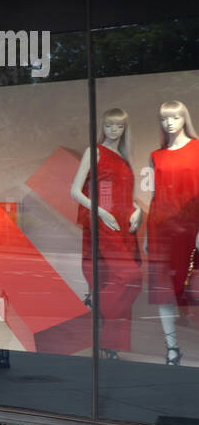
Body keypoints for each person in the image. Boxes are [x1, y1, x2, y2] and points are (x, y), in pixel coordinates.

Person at [71, 107, 143, 359]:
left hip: (125, 224)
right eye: (109, 125)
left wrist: (138, 210)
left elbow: (127, 194)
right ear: (102, 127)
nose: (114, 130)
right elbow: (75, 191)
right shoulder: (95, 151)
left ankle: (110, 343)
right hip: (105, 223)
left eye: (119, 126)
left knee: (128, 282)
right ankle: (98, 302)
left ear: (125, 129)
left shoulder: (123, 157)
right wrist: (100, 212)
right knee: (129, 275)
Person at [146, 100, 199, 366]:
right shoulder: (157, 156)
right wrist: (148, 234)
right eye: (164, 118)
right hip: (162, 228)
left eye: (175, 117)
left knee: (193, 289)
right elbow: (156, 195)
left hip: (192, 228)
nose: (169, 123)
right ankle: (172, 348)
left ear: (184, 119)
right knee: (164, 290)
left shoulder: (198, 149)